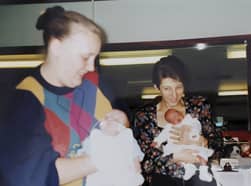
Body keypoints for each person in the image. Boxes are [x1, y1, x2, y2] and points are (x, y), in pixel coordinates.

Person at [0, 6, 118, 186]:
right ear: (56, 47)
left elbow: (120, 137)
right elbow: (32, 176)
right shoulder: (23, 99)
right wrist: (103, 159)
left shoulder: (96, 89)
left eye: (95, 58)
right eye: (86, 57)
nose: (92, 68)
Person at [132, 55, 223, 186]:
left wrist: (205, 141)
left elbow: (218, 143)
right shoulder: (145, 116)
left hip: (199, 178)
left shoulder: (199, 107)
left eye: (179, 87)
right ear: (157, 87)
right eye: (167, 88)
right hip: (162, 181)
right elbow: (144, 160)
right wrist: (175, 157)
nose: (174, 95)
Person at [79, 109, 144, 186]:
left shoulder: (126, 137)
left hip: (123, 174)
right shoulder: (96, 135)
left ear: (123, 128)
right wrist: (83, 154)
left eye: (116, 120)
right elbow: (85, 150)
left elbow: (135, 153)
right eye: (107, 117)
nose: (110, 120)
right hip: (100, 176)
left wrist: (135, 163)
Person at [154, 108, 214, 182]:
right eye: (173, 119)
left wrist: (194, 133)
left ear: (181, 113)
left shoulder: (189, 119)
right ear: (171, 123)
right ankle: (188, 168)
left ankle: (204, 172)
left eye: (176, 115)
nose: (176, 118)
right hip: (179, 147)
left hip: (193, 145)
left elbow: (197, 125)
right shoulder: (169, 127)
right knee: (177, 158)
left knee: (203, 155)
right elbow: (163, 135)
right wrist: (157, 141)